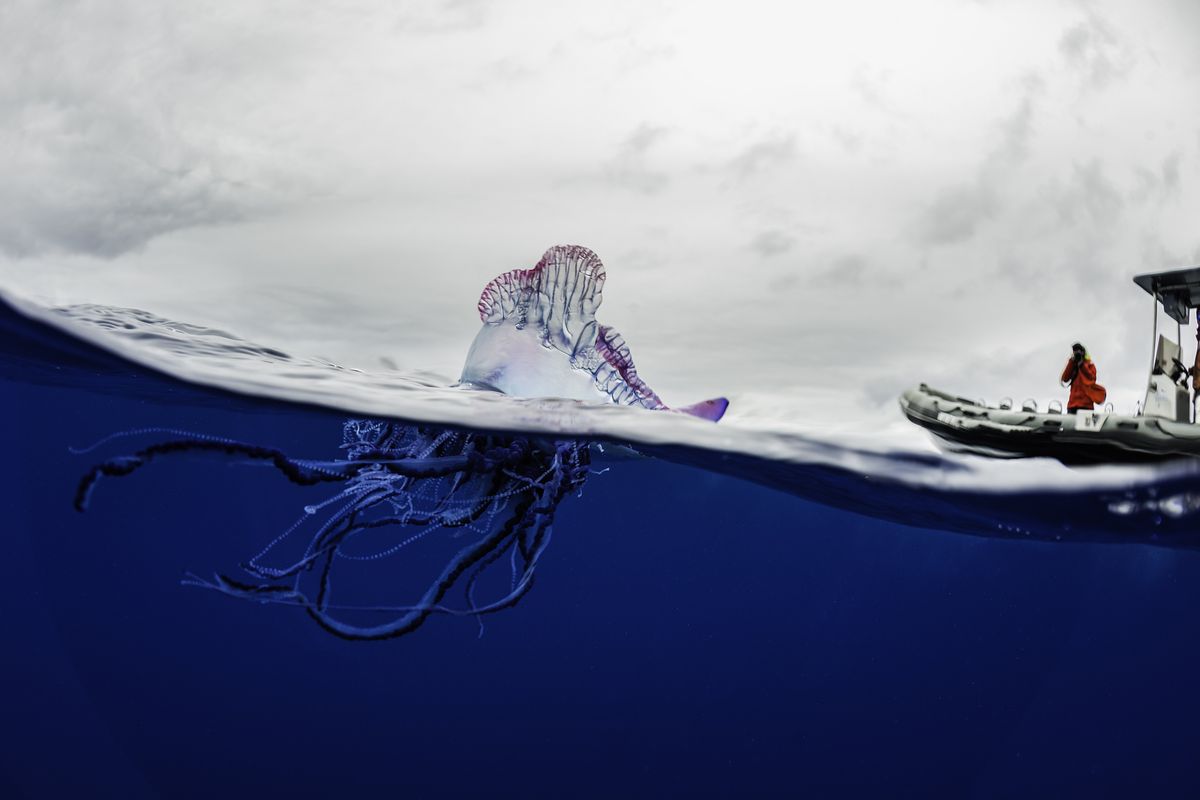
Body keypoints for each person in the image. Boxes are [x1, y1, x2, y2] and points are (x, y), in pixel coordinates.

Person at [1060, 342, 1106, 413]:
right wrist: (1071, 362)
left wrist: (1082, 365)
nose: (1076, 353)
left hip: (1086, 405)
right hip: (1072, 404)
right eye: (1074, 351)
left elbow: (1091, 379)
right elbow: (1065, 379)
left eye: (1078, 351)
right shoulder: (1072, 364)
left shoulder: (1090, 364)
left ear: (1083, 352)